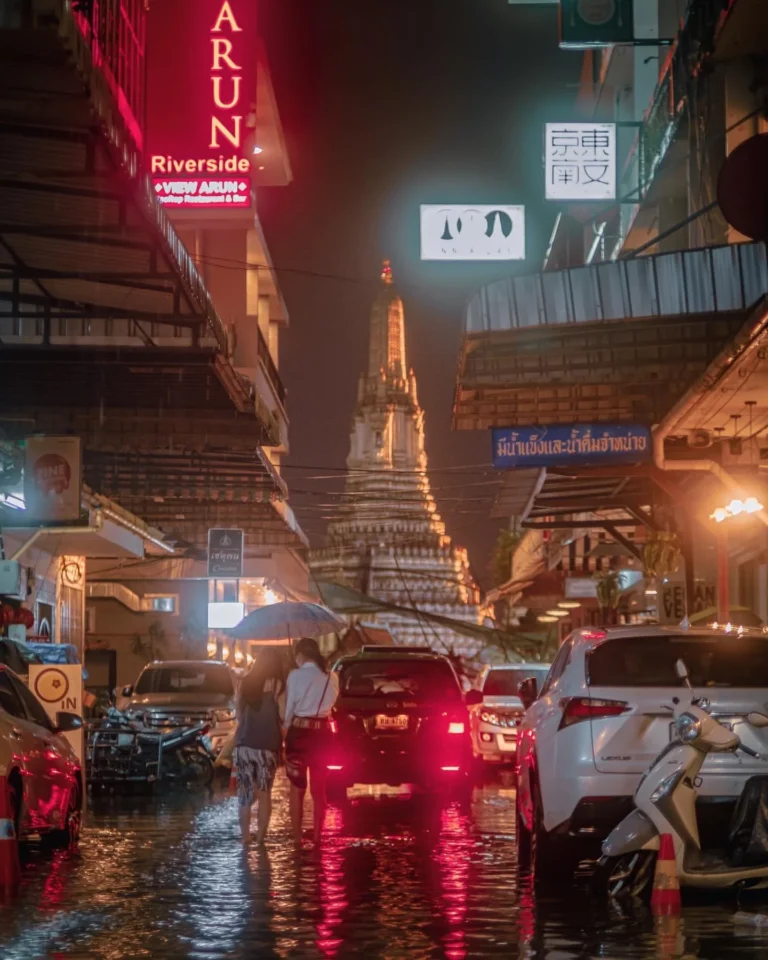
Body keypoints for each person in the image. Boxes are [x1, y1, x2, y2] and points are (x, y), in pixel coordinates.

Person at [284, 637, 339, 843]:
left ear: (301, 655)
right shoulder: (332, 677)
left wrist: (284, 730)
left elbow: (290, 708)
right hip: (323, 736)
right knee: (319, 789)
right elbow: (332, 702)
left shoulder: (295, 675)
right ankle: (317, 836)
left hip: (298, 735)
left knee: (297, 789)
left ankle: (297, 837)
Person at [233, 648, 285, 846]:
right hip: (267, 746)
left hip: (244, 744)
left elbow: (238, 714)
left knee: (245, 794)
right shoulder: (278, 685)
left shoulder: (244, 682)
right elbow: (283, 715)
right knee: (264, 794)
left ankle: (245, 837)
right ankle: (261, 838)